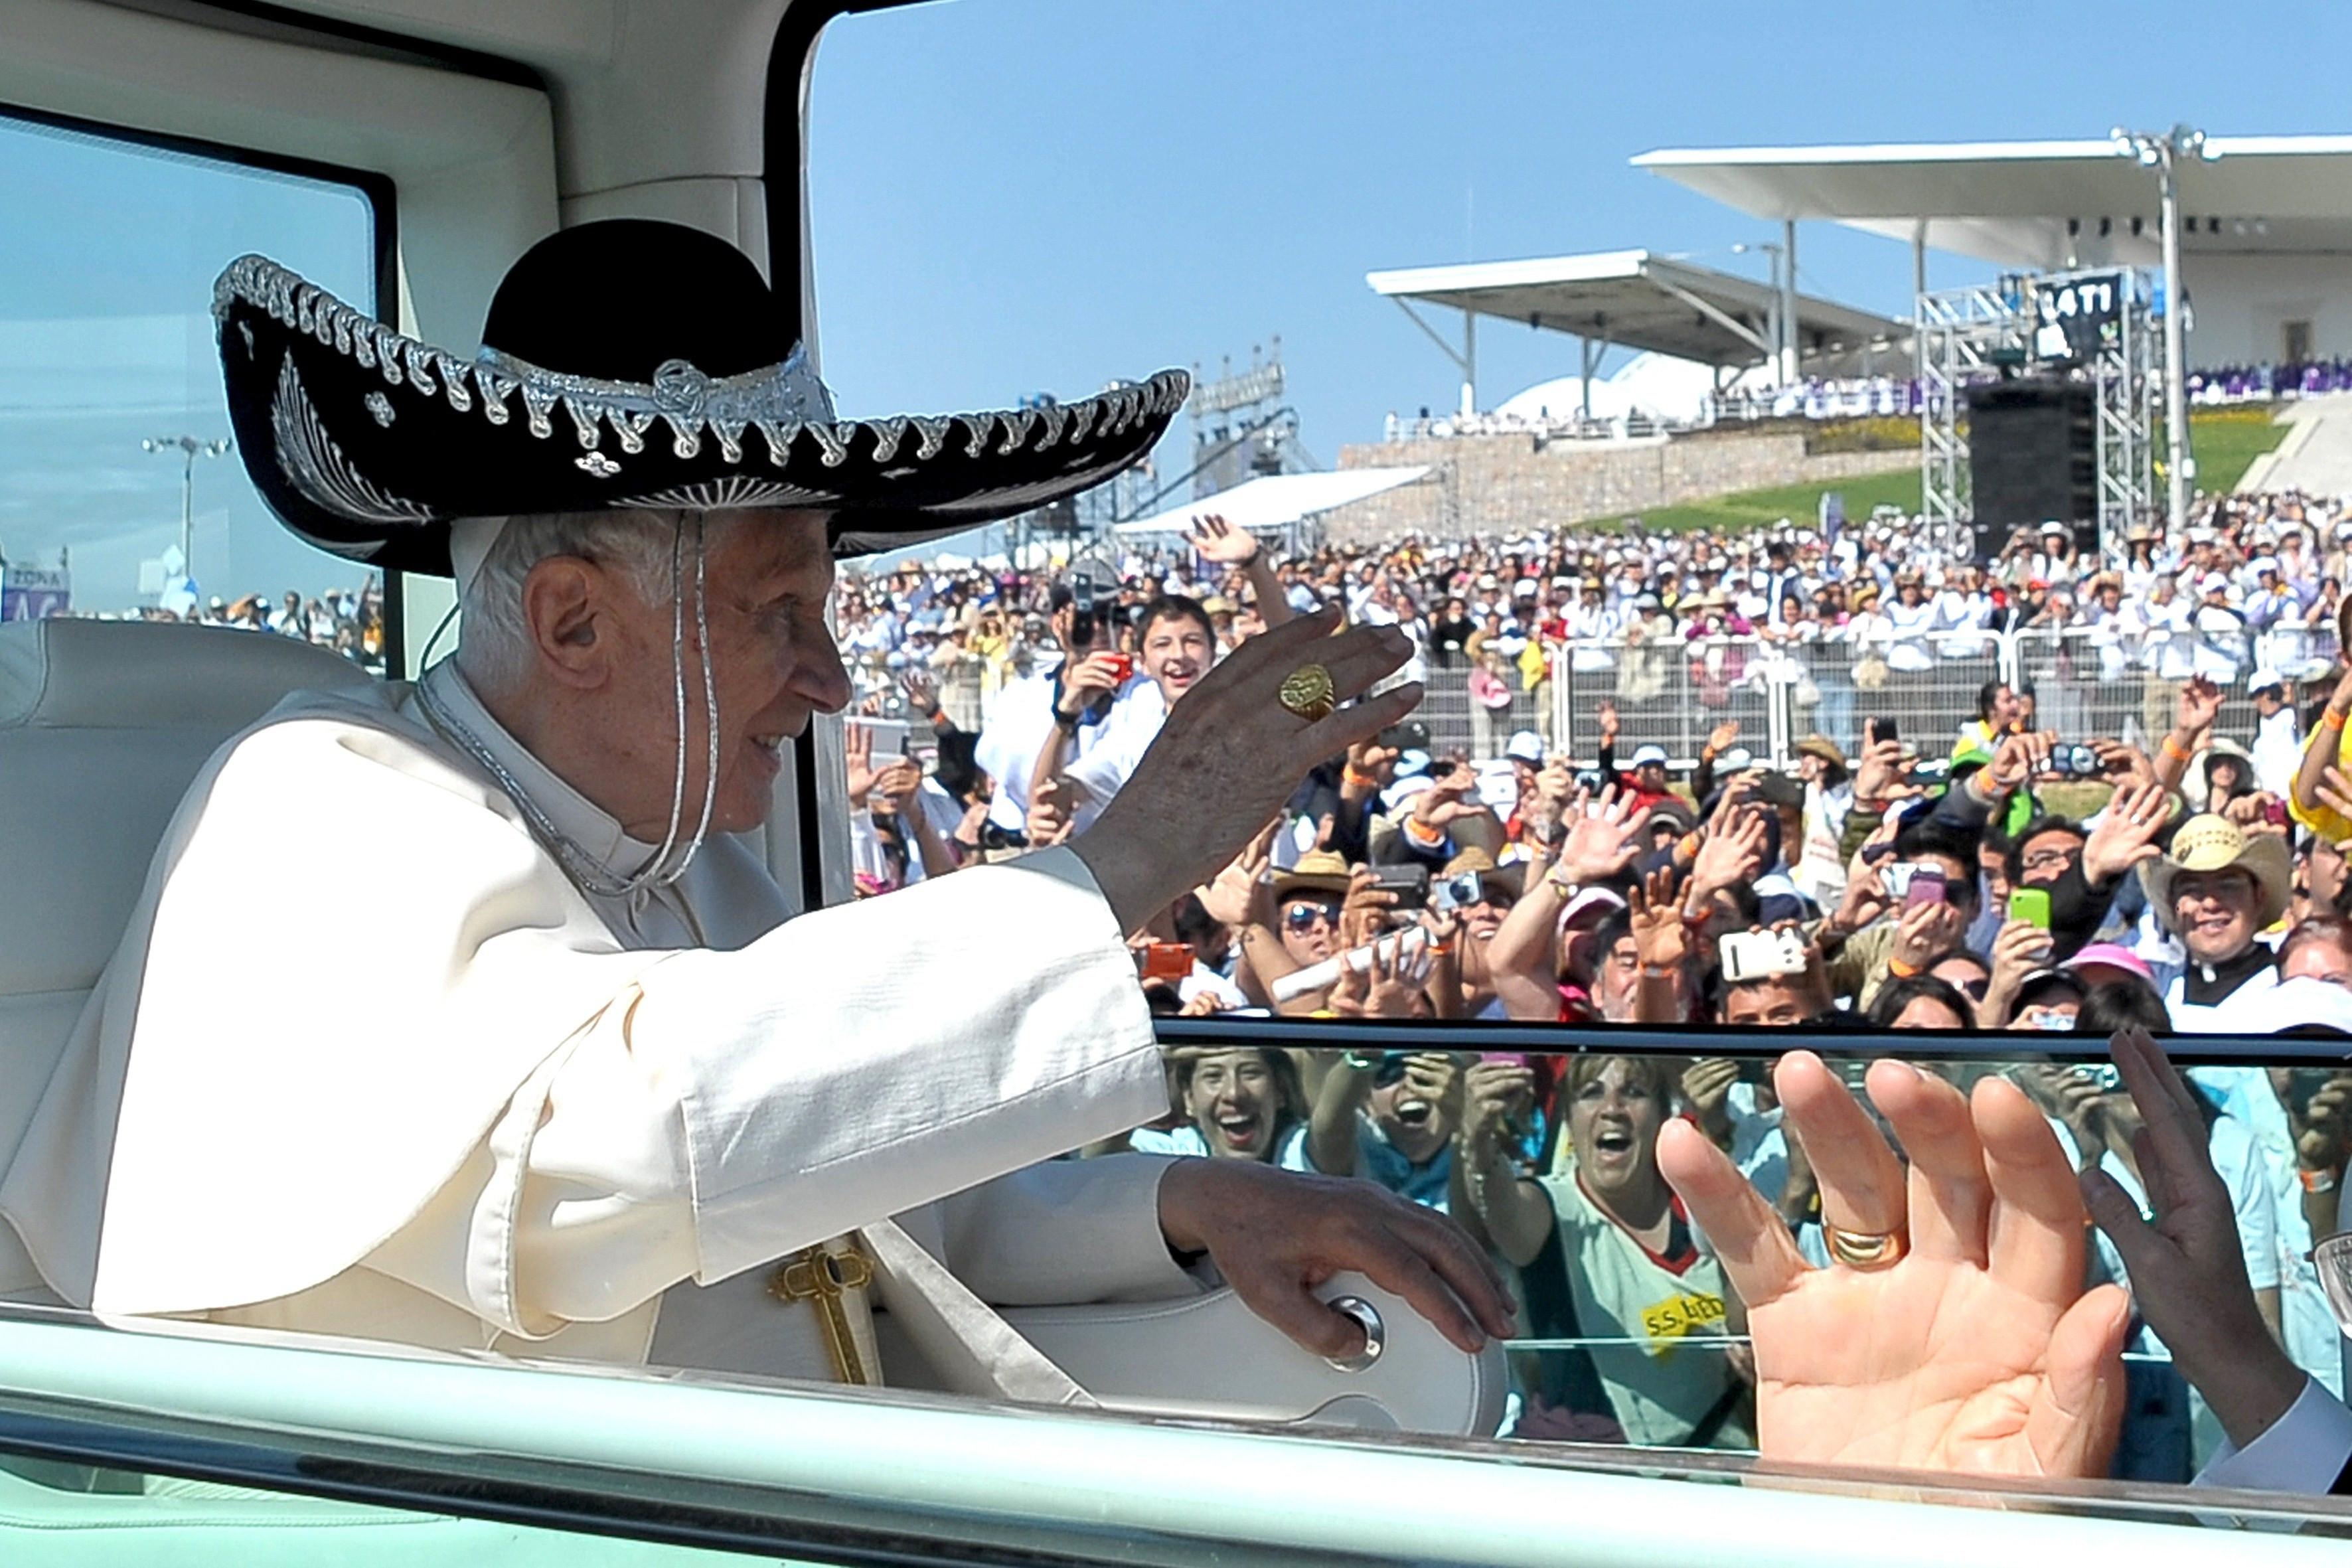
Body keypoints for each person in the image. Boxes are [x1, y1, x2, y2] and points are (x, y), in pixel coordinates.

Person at [0, 222, 1512, 1388]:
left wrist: (1188, 1206)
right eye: (780, 610)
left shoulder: (687, 875)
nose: (836, 677)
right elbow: (617, 1148)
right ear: (579, 625)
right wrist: (1117, 863)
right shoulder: (318, 803)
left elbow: (880, 1195)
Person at [1462, 1056, 1753, 1450]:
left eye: (1633, 1093)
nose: (1611, 1110)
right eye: (1590, 1094)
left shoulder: (1703, 1206)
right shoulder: (1550, 1207)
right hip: (1595, 1477)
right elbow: (1502, 1212)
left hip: (1718, 1470)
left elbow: (1750, 1324)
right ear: (1568, 1120)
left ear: (1664, 1117)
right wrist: (1477, 1145)